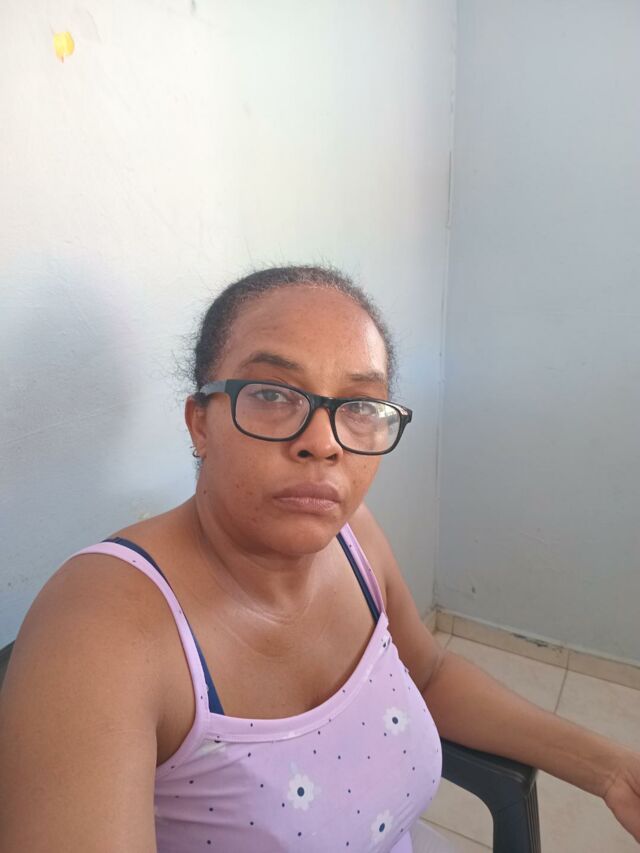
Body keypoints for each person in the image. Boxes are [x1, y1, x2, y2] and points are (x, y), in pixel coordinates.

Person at [0, 265, 638, 853]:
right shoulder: (104, 629)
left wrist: (610, 768)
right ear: (200, 422)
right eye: (273, 393)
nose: (323, 442)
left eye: (359, 406)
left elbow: (429, 673)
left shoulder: (354, 536)